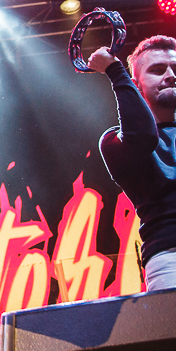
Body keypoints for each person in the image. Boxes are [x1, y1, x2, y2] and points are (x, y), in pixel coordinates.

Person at [89, 35, 176, 290]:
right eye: (158, 70)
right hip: (170, 257)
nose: (171, 76)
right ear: (135, 85)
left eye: (175, 69)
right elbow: (142, 137)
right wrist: (115, 71)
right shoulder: (113, 141)